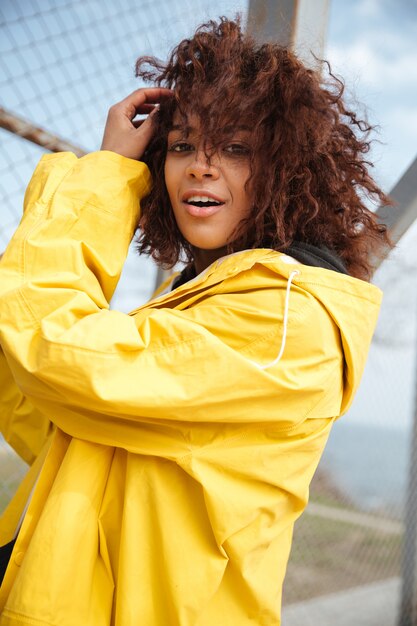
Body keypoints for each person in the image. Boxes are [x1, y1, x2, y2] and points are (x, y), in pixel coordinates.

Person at [0, 17, 390, 626]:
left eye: (235, 148)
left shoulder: (286, 318)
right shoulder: (211, 301)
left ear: (290, 168)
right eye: (182, 145)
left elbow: (58, 352)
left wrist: (103, 175)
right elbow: (60, 423)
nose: (201, 166)